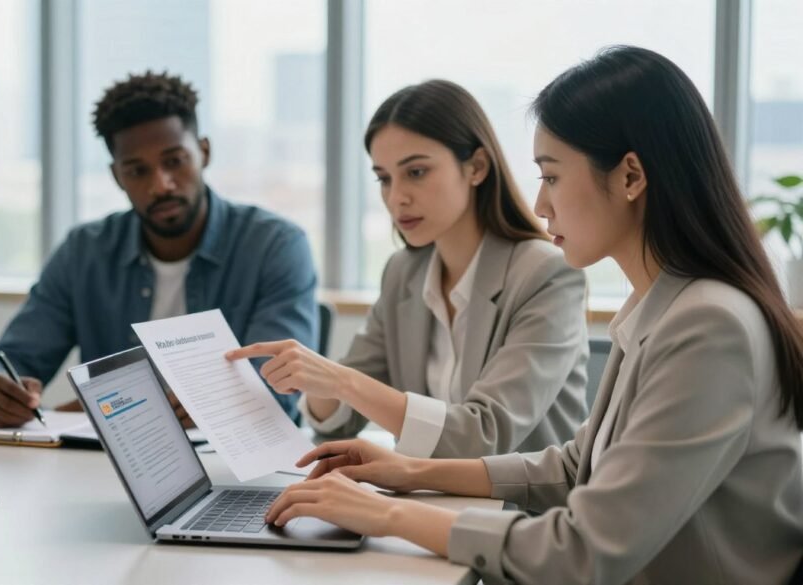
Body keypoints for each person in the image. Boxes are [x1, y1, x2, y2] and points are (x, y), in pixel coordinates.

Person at [263, 47, 803, 585]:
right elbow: (577, 468)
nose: (542, 205)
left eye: (552, 177)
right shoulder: (659, 304)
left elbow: (585, 552)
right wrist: (409, 472)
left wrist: (385, 513)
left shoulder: (707, 325)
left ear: (630, 176)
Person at [228, 80, 588, 458]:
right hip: (427, 500)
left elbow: (484, 435)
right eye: (384, 178)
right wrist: (313, 379)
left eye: (415, 172)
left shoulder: (546, 274)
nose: (396, 197)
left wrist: (342, 381)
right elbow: (337, 420)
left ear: (477, 167)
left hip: (518, 512)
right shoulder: (404, 273)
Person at [0, 71, 318, 428]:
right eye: (137, 171)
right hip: (111, 466)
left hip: (233, 462)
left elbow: (278, 384)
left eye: (175, 161)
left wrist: (206, 403)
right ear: (117, 176)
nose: (160, 185)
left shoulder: (274, 245)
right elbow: (14, 356)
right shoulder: (84, 252)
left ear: (204, 152)